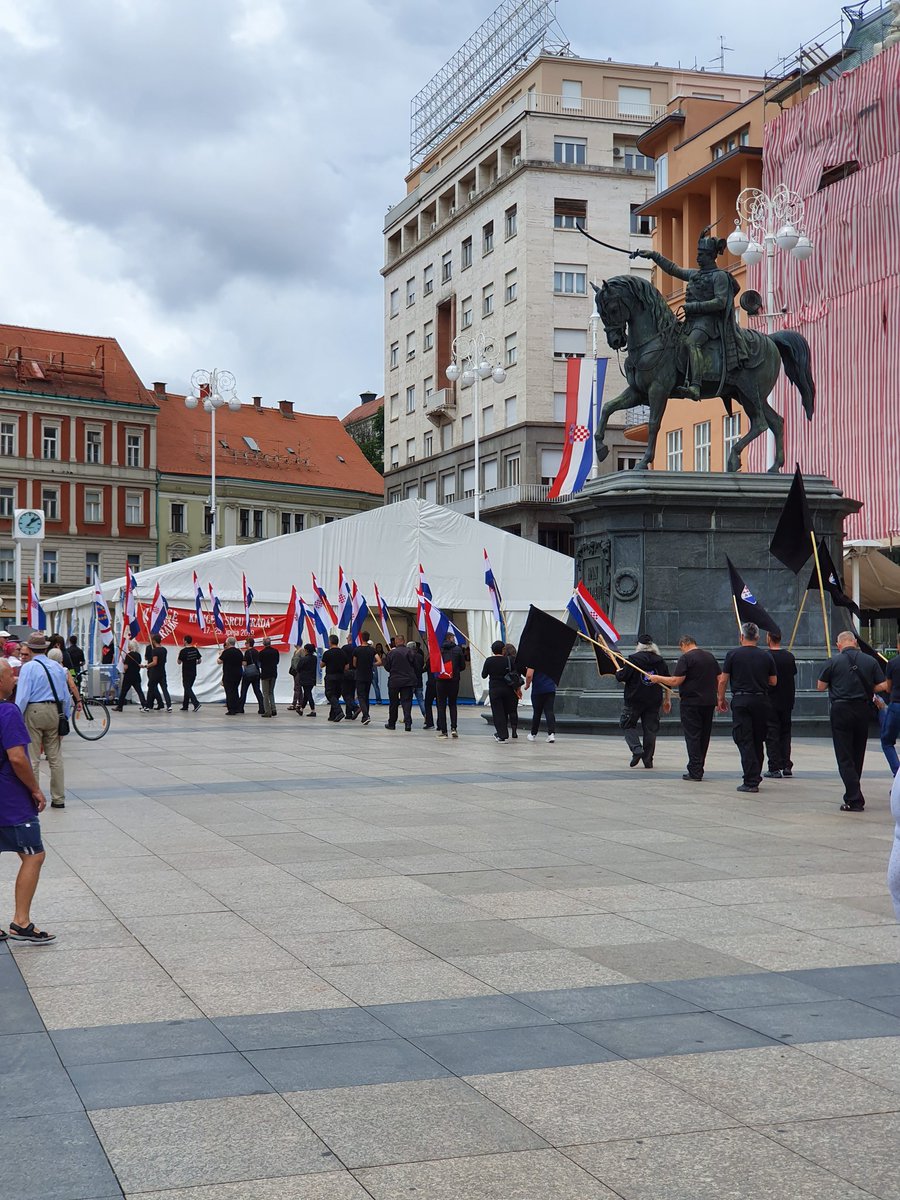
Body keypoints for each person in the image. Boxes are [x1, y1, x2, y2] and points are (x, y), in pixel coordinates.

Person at [636, 233, 749, 400]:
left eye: (701, 255)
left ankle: (696, 385)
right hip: (692, 322)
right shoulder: (695, 275)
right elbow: (673, 269)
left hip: (709, 323)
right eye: (698, 254)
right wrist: (654, 256)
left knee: (691, 343)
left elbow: (721, 302)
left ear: (711, 256)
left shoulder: (720, 276)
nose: (697, 258)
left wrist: (694, 306)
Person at [0, 657, 55, 942]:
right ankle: (21, 921)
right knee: (34, 854)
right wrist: (34, 788)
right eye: (11, 675)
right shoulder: (7, 712)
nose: (15, 680)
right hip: (8, 799)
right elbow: (18, 757)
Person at [817, 630, 889, 811]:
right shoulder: (870, 661)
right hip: (862, 709)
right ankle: (854, 791)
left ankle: (854, 797)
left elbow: (820, 686)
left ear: (839, 644)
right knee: (858, 752)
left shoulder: (833, 661)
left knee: (844, 755)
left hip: (841, 709)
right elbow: (883, 685)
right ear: (855, 642)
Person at [646, 635, 721, 782]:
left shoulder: (686, 658)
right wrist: (719, 696)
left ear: (684, 644)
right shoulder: (710, 657)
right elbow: (720, 678)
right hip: (708, 702)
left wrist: (657, 678)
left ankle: (695, 770)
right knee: (704, 736)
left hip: (691, 703)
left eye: (681, 648)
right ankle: (699, 767)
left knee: (693, 736)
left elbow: (676, 680)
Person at [14, 633, 74, 810]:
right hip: (55, 711)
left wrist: (17, 716)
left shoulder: (28, 667)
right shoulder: (56, 667)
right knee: (55, 757)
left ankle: (33, 796)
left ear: (30, 649)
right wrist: (65, 716)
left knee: (33, 756)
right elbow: (65, 696)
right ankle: (58, 797)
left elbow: (23, 695)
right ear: (45, 648)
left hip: (34, 710)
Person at [717, 622, 777, 794]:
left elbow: (723, 679)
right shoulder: (766, 656)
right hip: (761, 700)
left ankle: (750, 780)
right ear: (757, 637)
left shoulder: (733, 654)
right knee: (758, 739)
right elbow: (773, 681)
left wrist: (720, 698)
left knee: (744, 739)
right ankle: (755, 775)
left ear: (741, 637)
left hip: (741, 700)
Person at [615, 633, 670, 768]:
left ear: (638, 645)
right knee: (650, 730)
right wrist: (667, 699)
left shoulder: (633, 660)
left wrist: (618, 671)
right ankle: (648, 760)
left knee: (627, 724)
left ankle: (636, 749)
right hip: (653, 700)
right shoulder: (660, 661)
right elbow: (667, 682)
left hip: (634, 699)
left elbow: (622, 676)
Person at [765, 630, 798, 778]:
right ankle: (786, 764)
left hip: (771, 700)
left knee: (772, 733)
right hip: (787, 699)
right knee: (785, 732)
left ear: (768, 638)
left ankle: (774, 766)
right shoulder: (789, 656)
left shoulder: (766, 656)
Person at [482, 640, 519, 743]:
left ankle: (502, 734)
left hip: (495, 689)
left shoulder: (489, 660)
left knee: (498, 712)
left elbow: (484, 675)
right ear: (503, 650)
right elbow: (515, 672)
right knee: (506, 711)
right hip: (508, 689)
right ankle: (504, 732)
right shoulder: (508, 660)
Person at [382, 636, 418, 731]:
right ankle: (408, 723)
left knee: (393, 703)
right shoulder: (410, 652)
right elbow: (416, 665)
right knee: (407, 703)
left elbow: (387, 667)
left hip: (394, 680)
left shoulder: (391, 653)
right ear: (404, 641)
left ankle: (392, 723)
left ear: (396, 642)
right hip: (407, 680)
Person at [436, 633, 467, 739]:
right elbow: (463, 666)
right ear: (450, 638)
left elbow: (434, 665)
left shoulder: (439, 649)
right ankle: (454, 728)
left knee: (441, 705)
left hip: (441, 680)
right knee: (453, 704)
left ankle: (444, 731)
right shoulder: (458, 650)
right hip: (454, 680)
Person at [878, 637, 900, 775]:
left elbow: (888, 687)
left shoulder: (893, 663)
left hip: (897, 705)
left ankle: (898, 773)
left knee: (887, 741)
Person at [525, 666, 557, 744]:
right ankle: (551, 734)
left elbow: (529, 675)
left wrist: (527, 685)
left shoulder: (534, 660)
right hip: (550, 688)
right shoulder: (551, 660)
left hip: (538, 689)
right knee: (549, 711)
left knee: (537, 712)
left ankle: (533, 734)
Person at [353, 631, 377, 726]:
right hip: (369, 675)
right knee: (366, 696)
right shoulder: (372, 650)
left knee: (361, 696)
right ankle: (365, 716)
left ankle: (366, 715)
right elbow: (379, 661)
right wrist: (372, 664)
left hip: (360, 674)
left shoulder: (357, 650)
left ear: (361, 638)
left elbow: (354, 663)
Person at [322, 635, 348, 722]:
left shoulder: (327, 653)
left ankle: (339, 711)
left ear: (330, 642)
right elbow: (347, 666)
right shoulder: (343, 653)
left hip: (330, 676)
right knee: (336, 695)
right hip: (340, 676)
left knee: (329, 694)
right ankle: (332, 715)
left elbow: (321, 665)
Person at [116, 641, 147, 711]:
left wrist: (124, 667)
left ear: (131, 647)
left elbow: (126, 667)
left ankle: (120, 706)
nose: (128, 647)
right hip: (136, 675)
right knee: (139, 691)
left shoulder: (128, 655)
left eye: (129, 646)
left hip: (128, 676)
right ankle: (144, 704)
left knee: (124, 692)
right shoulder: (138, 655)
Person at [143, 634, 171, 711]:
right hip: (162, 671)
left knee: (151, 687)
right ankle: (169, 706)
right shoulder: (164, 650)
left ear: (154, 641)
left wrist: (146, 666)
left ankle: (147, 706)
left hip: (155, 672)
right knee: (164, 689)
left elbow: (155, 662)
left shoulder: (154, 650)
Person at [238, 637, 264, 714]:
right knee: (257, 691)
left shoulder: (247, 652)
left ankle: (241, 708)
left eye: (246, 643)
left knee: (244, 691)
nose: (245, 644)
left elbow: (245, 663)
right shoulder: (257, 652)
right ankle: (262, 707)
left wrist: (241, 661)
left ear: (249, 644)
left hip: (248, 674)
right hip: (256, 672)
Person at [218, 637, 244, 714]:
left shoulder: (226, 652)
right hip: (238, 673)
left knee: (229, 691)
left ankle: (231, 709)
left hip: (229, 674)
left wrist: (220, 654)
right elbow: (242, 661)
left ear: (228, 643)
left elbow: (219, 661)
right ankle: (236, 707)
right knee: (235, 690)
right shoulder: (239, 652)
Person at [178, 635, 202, 712]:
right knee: (188, 688)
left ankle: (196, 703)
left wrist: (179, 655)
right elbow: (199, 660)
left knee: (187, 688)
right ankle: (185, 705)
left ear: (185, 641)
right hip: (193, 672)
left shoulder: (183, 651)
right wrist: (195, 663)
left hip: (186, 672)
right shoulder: (195, 649)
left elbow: (179, 662)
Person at [503, 643, 522, 739]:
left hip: (505, 686)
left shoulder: (504, 660)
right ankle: (514, 731)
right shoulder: (518, 660)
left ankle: (504, 730)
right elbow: (523, 672)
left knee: (504, 711)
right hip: (515, 687)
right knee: (513, 710)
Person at [257, 637, 279, 717]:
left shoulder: (261, 653)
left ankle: (267, 711)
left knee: (265, 693)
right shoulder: (275, 651)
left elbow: (259, 664)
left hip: (265, 674)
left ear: (263, 644)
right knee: (271, 692)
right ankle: (273, 709)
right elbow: (277, 662)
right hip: (273, 673)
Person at [294, 644, 318, 716]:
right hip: (312, 678)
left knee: (308, 694)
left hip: (305, 679)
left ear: (306, 650)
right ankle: (301, 709)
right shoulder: (315, 658)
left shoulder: (304, 659)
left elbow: (298, 668)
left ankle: (313, 710)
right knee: (307, 694)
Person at [341, 636, 359, 720]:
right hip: (356, 672)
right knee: (351, 693)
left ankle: (355, 707)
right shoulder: (357, 648)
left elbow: (342, 660)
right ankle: (349, 713)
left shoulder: (344, 648)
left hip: (346, 672)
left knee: (345, 693)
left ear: (349, 639)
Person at [408, 641, 426, 719]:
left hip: (410, 681)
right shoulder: (420, 656)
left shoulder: (408, 656)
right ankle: (426, 716)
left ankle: (407, 717)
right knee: (421, 700)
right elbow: (421, 666)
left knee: (408, 701)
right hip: (419, 680)